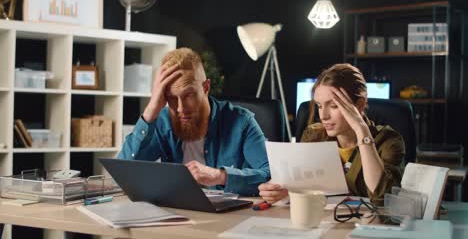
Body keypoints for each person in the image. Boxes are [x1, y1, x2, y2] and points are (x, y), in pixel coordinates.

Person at [118, 47, 270, 196]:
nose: (180, 108)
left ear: (205, 87)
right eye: (171, 97)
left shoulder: (241, 122)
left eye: (188, 95)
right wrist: (151, 108)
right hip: (178, 213)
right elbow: (123, 174)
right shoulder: (162, 120)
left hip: (229, 216)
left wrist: (220, 176)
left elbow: (270, 174)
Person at [259, 63, 405, 205]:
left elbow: (384, 198)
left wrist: (361, 130)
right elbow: (302, 185)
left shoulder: (389, 141)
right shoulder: (314, 135)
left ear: (360, 105)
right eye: (319, 106)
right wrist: (280, 190)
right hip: (322, 221)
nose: (323, 116)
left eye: (334, 106)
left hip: (369, 224)